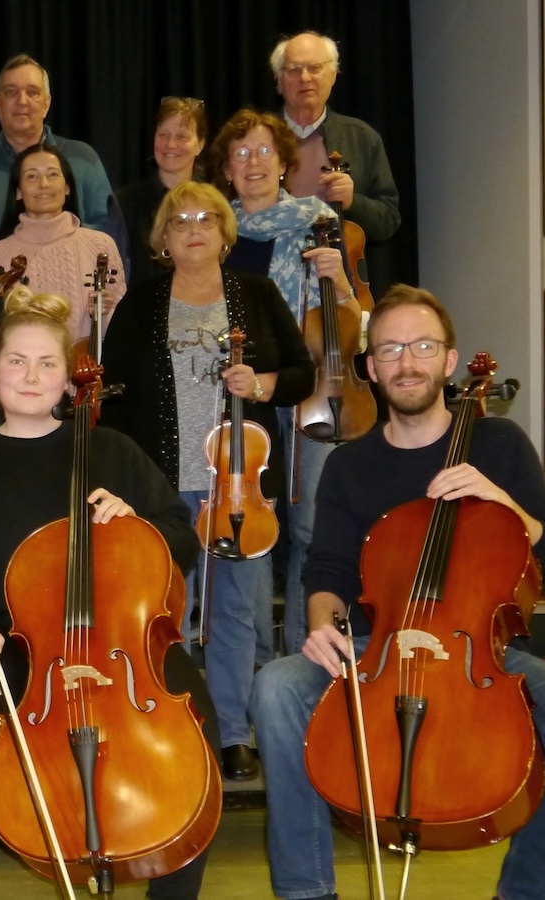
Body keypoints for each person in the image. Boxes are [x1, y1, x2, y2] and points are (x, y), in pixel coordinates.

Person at [249, 286, 545, 900]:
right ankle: (306, 890)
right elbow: (330, 570)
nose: (408, 361)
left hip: (481, 652)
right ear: (371, 368)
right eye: (391, 349)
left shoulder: (499, 445)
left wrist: (503, 503)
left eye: (423, 346)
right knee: (277, 685)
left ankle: (527, 893)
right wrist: (322, 625)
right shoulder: (349, 465)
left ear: (448, 362)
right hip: (377, 642)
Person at [0, 285, 218, 900]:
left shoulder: (111, 451)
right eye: (16, 361)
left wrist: (137, 524)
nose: (30, 375)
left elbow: (181, 535)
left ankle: (173, 885)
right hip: (4, 642)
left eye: (47, 362)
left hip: (117, 643)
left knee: (192, 705)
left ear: (68, 378)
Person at [101, 181, 315, 781]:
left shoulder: (257, 292)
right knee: (168, 613)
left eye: (206, 218)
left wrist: (265, 385)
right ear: (164, 237)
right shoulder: (141, 304)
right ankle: (168, 725)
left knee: (234, 616)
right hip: (166, 488)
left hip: (238, 488)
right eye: (179, 219)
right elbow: (112, 395)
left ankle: (230, 733)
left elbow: (302, 371)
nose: (193, 227)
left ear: (224, 233)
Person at [211, 108, 358, 661]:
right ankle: (249, 666)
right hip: (238, 400)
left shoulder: (315, 219)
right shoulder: (210, 227)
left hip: (310, 392)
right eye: (241, 152)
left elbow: (351, 320)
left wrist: (338, 279)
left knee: (309, 533)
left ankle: (304, 657)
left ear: (283, 162)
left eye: (264, 151)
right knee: (246, 534)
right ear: (226, 167)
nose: (253, 162)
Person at [270, 31, 401, 284]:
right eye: (294, 69)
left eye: (315, 67)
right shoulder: (256, 140)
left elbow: (389, 221)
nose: (305, 77)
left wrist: (354, 202)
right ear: (279, 80)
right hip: (271, 283)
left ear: (333, 75)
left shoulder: (362, 137)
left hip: (341, 287)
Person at [0, 54, 121, 249]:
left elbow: (111, 231)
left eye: (33, 92)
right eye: (11, 92)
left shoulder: (83, 158)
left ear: (46, 104)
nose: (22, 101)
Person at [0, 143, 126, 338]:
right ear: (18, 192)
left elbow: (124, 331)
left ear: (67, 187)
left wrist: (103, 313)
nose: (44, 184)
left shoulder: (101, 246)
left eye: (53, 174)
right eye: (32, 176)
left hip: (88, 367)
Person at [115, 97, 208, 288]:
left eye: (182, 136)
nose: (171, 144)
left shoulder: (216, 204)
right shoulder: (124, 203)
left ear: (200, 145)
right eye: (163, 135)